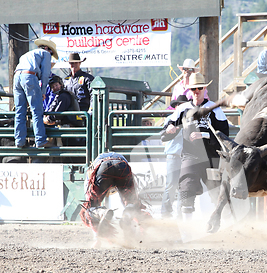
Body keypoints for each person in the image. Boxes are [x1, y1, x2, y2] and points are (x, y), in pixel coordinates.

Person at [164, 73, 229, 220]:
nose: (196, 91)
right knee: (186, 188)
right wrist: (169, 129)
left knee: (217, 191)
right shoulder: (183, 109)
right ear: (189, 90)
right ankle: (188, 228)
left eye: (199, 88)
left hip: (211, 156)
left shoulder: (215, 109)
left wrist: (204, 135)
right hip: (191, 156)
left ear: (205, 88)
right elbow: (170, 127)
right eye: (193, 89)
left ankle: (224, 222)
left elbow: (224, 135)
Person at [79, 152, 150, 247]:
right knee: (131, 202)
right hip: (122, 166)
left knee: (92, 206)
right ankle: (127, 215)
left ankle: (101, 213)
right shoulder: (121, 161)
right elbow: (132, 197)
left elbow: (89, 200)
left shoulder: (90, 173)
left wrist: (97, 239)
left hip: (103, 167)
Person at [13, 38, 58, 148]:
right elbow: (45, 74)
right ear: (47, 48)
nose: (50, 55)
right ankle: (40, 140)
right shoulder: (45, 54)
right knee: (37, 110)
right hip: (29, 76)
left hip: (16, 77)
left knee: (20, 110)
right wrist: (43, 92)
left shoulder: (26, 55)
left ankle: (19, 141)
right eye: (51, 53)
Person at [159, 95, 189, 218]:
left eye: (183, 105)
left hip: (184, 156)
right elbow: (163, 134)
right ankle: (166, 212)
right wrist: (168, 130)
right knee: (172, 185)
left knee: (182, 186)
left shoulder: (187, 120)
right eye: (179, 105)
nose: (180, 107)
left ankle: (178, 212)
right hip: (174, 155)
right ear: (176, 107)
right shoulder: (170, 119)